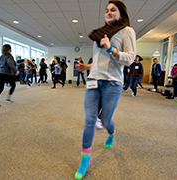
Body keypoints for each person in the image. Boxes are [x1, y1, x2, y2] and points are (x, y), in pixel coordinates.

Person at [75, 1, 136, 179]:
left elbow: (130, 59)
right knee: (89, 120)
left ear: (121, 13)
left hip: (113, 83)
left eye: (113, 10)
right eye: (107, 10)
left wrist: (112, 49)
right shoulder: (100, 33)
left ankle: (112, 132)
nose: (109, 13)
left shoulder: (127, 31)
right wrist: (86, 67)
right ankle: (85, 159)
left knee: (106, 119)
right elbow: (99, 59)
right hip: (94, 81)